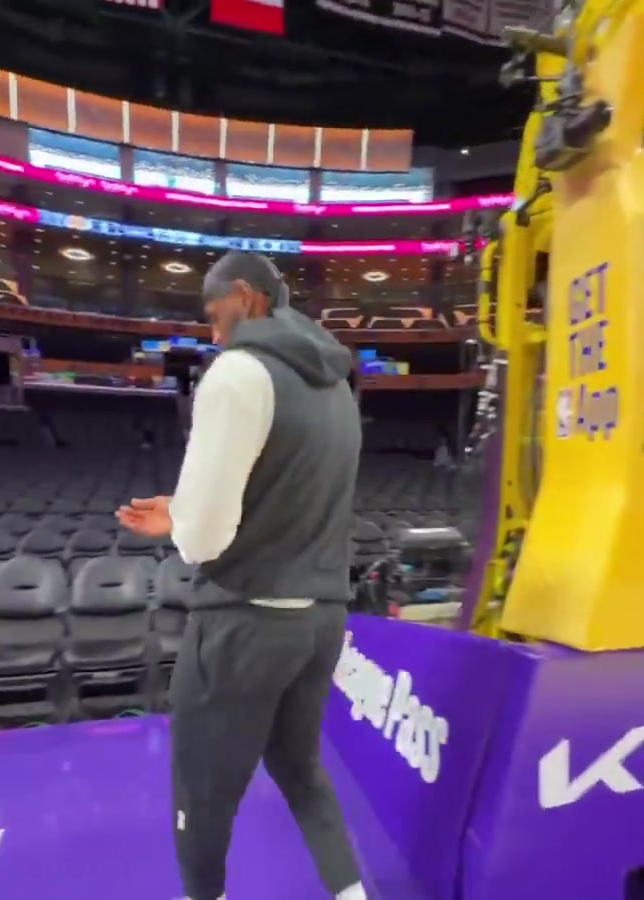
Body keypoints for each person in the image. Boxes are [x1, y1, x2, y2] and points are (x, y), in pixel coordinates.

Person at [117, 251, 366, 900]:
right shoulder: (336, 383)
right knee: (300, 767)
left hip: (245, 620)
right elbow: (283, 495)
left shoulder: (236, 373)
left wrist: (183, 521)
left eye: (214, 313)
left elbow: (204, 539)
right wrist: (184, 509)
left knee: (201, 790)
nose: (213, 331)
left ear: (248, 298)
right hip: (321, 618)